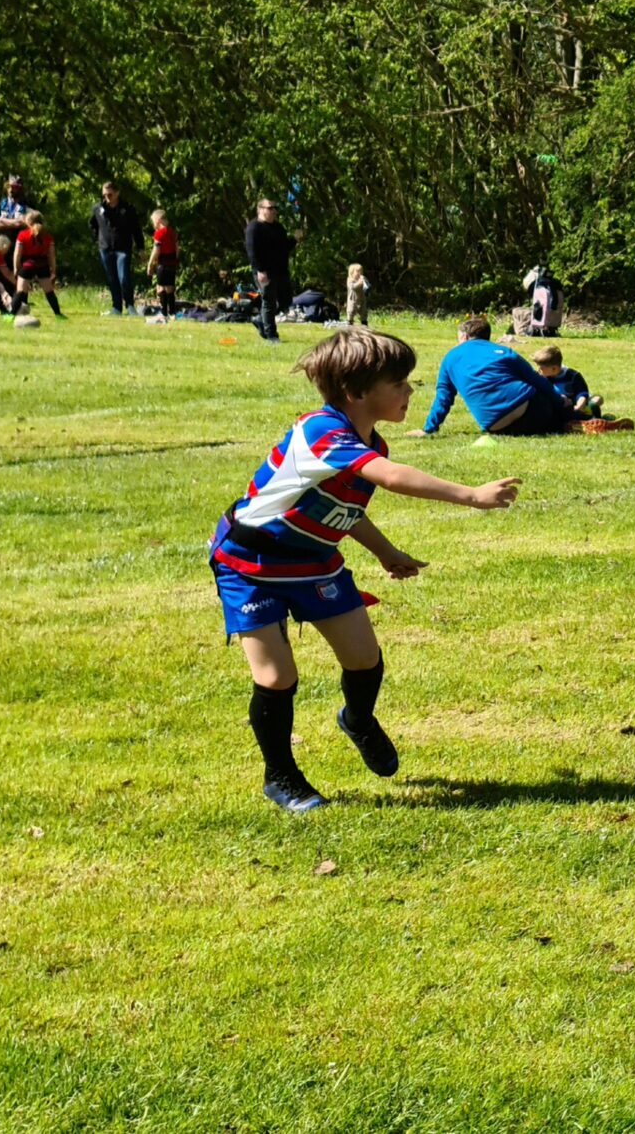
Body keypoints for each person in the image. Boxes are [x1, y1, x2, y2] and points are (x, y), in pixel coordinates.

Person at [209, 327, 520, 811]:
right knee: (276, 677)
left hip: (315, 564)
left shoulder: (369, 441)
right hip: (252, 564)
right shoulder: (321, 431)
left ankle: (357, 719)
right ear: (356, 392)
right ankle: (281, 776)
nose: (409, 392)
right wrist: (471, 495)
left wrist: (384, 551)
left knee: (363, 658)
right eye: (398, 383)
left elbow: (344, 508)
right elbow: (391, 479)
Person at [420, 317, 627, 436]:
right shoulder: (505, 352)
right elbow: (538, 381)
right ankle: (580, 419)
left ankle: (572, 424)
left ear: (464, 337)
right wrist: (561, 402)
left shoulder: (449, 359)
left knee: (542, 424)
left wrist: (429, 429)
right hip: (532, 411)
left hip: (496, 426)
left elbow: (443, 398)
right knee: (549, 405)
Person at [245, 199, 294, 344]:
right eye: (270, 208)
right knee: (269, 301)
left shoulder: (278, 227)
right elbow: (252, 251)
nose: (274, 211)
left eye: (275, 208)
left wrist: (295, 240)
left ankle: (261, 319)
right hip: (264, 271)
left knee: (286, 301)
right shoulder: (254, 228)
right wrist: (260, 270)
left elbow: (284, 248)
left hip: (281, 270)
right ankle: (272, 335)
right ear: (260, 209)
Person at [92, 182, 140, 316]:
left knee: (124, 277)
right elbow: (93, 225)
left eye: (110, 194)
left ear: (117, 193)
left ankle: (130, 306)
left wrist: (140, 247)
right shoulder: (98, 209)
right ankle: (116, 307)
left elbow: (136, 229)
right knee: (111, 278)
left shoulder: (128, 209)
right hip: (105, 248)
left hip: (123, 248)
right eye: (104, 195)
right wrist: (98, 239)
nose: (107, 197)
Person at [12, 211, 64, 319]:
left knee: (20, 291)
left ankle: (11, 315)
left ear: (29, 222)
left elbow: (17, 253)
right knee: (49, 291)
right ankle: (58, 314)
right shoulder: (48, 236)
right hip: (42, 265)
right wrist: (53, 270)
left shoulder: (23, 234)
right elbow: (52, 255)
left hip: (27, 265)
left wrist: (16, 268)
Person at [531, 346, 599, 418]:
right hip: (555, 407)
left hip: (573, 407)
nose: (538, 370)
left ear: (554, 369)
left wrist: (579, 405)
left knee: (591, 406)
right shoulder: (541, 377)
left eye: (541, 368)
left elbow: (582, 393)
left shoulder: (573, 376)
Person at [146, 208, 180, 321]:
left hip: (162, 263)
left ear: (158, 220)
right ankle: (172, 312)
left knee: (160, 287)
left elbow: (156, 250)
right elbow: (177, 248)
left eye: (153, 221)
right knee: (170, 287)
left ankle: (163, 311)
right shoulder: (173, 232)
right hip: (172, 263)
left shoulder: (159, 233)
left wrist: (150, 264)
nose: (153, 224)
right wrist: (176, 260)